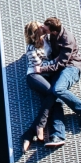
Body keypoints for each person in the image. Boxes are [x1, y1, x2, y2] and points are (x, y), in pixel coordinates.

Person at [34, 17, 81, 148]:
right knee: (54, 98)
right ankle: (58, 135)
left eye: (45, 28)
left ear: (53, 31)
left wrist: (41, 69)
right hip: (59, 69)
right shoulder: (52, 35)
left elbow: (60, 64)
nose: (43, 28)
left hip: (71, 68)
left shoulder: (67, 40)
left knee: (57, 90)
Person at [21, 21, 60, 152]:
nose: (43, 27)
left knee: (50, 101)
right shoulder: (31, 49)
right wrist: (59, 59)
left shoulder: (47, 39)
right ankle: (40, 127)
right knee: (53, 92)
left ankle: (32, 131)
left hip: (46, 75)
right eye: (40, 28)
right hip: (34, 76)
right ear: (36, 33)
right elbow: (41, 67)